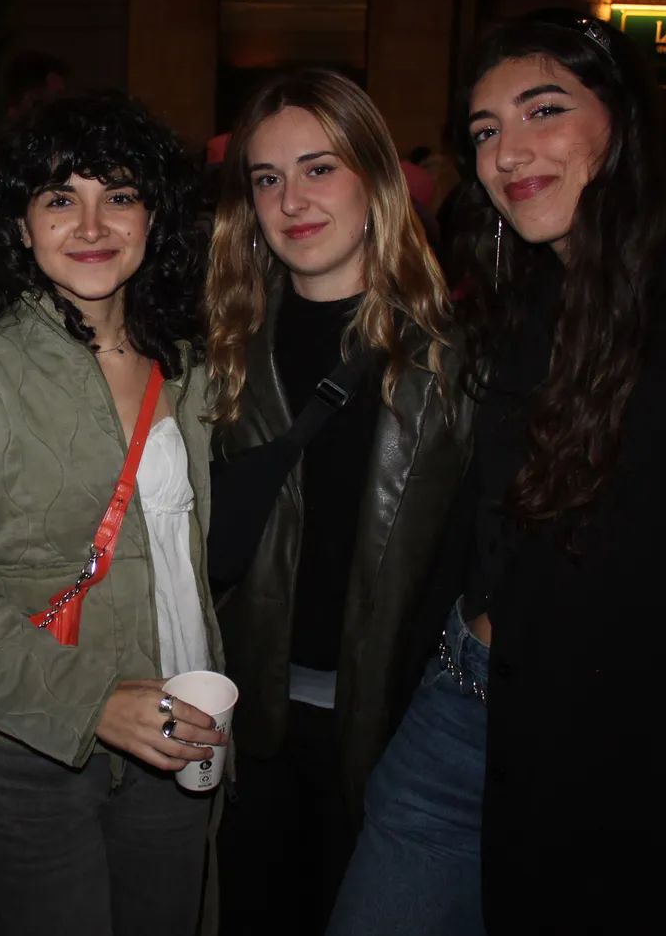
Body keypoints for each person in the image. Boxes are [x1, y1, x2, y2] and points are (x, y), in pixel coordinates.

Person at [327, 9, 666, 936]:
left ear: (623, 121)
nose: (508, 151)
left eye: (544, 110)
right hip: (455, 714)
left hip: (613, 765)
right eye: (485, 131)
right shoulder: (524, 304)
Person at [0, 91, 226, 936]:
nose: (92, 225)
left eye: (119, 195)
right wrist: (93, 700)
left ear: (154, 216)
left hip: (182, 734)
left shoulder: (191, 364)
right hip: (28, 754)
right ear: (21, 223)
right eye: (59, 199)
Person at [203, 69, 470, 934]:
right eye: (267, 178)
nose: (292, 201)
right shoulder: (223, 350)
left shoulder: (454, 360)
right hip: (249, 723)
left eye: (319, 168)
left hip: (398, 735)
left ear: (375, 179)